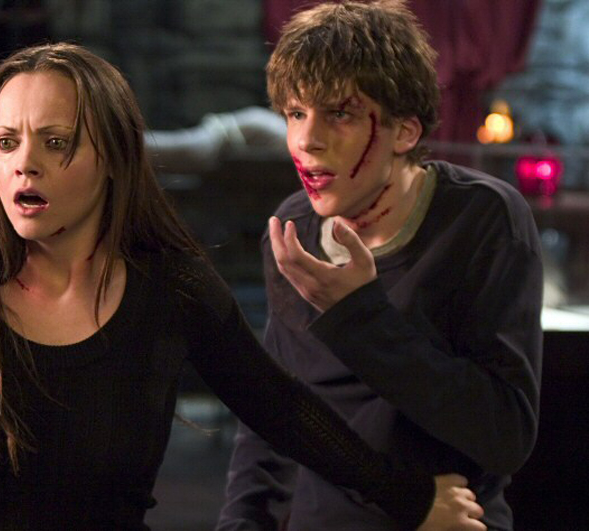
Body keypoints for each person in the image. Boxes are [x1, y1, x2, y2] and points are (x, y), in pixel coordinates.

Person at [0, 43, 482, 531]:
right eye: (6, 141)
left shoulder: (171, 288)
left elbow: (282, 410)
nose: (24, 162)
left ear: (113, 157)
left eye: (56, 141)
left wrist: (411, 499)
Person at [217, 2, 543, 531]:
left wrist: (358, 315)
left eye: (339, 114)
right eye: (296, 114)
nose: (307, 140)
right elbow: (272, 421)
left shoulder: (483, 218)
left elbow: (504, 435)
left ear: (405, 132)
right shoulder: (294, 227)